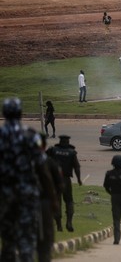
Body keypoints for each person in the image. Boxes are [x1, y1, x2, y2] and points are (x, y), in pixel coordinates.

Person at [0, 98, 57, 262]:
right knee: (27, 242)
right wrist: (52, 198)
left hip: (5, 196)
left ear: (4, 114)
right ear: (20, 113)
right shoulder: (31, 137)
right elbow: (42, 170)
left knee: (8, 242)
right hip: (27, 196)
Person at [46, 134, 82, 232]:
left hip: (54, 180)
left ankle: (58, 225)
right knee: (69, 201)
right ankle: (69, 222)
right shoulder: (72, 153)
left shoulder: (52, 150)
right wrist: (79, 179)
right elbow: (77, 167)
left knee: (57, 201)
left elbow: (44, 161)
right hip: (66, 180)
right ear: (68, 142)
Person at [37, 134, 62, 262]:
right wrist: (55, 200)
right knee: (46, 233)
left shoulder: (22, 160)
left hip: (24, 203)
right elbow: (58, 184)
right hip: (44, 201)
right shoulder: (49, 162)